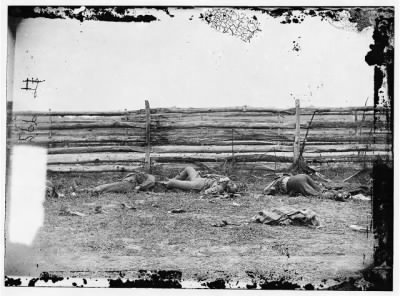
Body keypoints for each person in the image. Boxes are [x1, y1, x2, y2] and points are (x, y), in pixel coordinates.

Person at [166, 166, 238, 195]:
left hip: (197, 185)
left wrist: (220, 186)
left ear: (228, 189)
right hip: (199, 178)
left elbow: (205, 192)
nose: (231, 183)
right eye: (232, 183)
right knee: (189, 168)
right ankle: (175, 180)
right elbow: (212, 176)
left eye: (231, 185)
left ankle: (163, 185)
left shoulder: (220, 188)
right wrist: (207, 175)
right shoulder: (224, 180)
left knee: (171, 183)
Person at [89, 171, 155, 194]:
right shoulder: (150, 177)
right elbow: (150, 181)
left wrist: (140, 186)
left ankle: (97, 189)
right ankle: (96, 189)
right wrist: (139, 187)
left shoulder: (151, 178)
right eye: (140, 175)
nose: (141, 175)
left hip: (132, 182)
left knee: (113, 187)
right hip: (131, 182)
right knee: (115, 186)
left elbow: (150, 181)